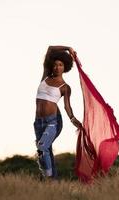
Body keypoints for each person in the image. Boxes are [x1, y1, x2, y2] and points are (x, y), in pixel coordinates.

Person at [34, 45, 82, 180]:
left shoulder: (65, 87)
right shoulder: (45, 76)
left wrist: (73, 120)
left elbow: (67, 106)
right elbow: (50, 49)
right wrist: (68, 48)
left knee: (42, 147)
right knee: (44, 151)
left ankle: (48, 178)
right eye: (55, 65)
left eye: (60, 65)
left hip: (53, 122)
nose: (57, 67)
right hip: (38, 122)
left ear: (65, 67)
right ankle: (52, 181)